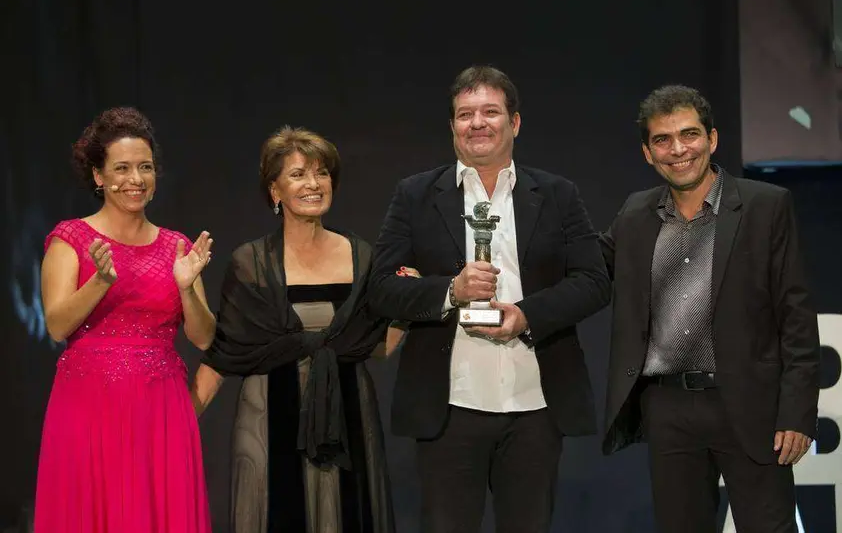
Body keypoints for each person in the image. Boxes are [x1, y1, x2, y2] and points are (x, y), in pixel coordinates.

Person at [368, 65, 611, 533]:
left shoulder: (558, 195)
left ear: (514, 123)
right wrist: (449, 291)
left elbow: (594, 280)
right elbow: (380, 288)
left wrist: (526, 316)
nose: (477, 123)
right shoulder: (416, 195)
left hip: (534, 405)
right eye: (465, 114)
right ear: (453, 126)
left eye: (490, 112)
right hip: (449, 407)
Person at [600, 85, 820, 533]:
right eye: (662, 140)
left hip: (750, 405)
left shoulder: (766, 206)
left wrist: (797, 413)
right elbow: (586, 272)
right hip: (668, 408)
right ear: (647, 153)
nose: (678, 149)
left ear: (712, 139)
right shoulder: (635, 213)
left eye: (689, 134)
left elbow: (796, 319)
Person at [191, 126, 396, 533]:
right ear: (274, 191)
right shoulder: (249, 262)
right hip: (268, 417)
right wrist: (176, 425)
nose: (313, 184)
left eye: (322, 174)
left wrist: (413, 305)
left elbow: (377, 347)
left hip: (348, 414)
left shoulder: (362, 256)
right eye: (298, 174)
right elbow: (225, 354)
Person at [34, 107, 215, 532]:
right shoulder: (70, 238)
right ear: (98, 176)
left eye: (145, 168)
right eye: (122, 168)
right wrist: (99, 282)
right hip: (88, 407)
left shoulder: (177, 246)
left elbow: (205, 338)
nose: (136, 179)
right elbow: (57, 325)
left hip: (161, 410)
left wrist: (187, 287)